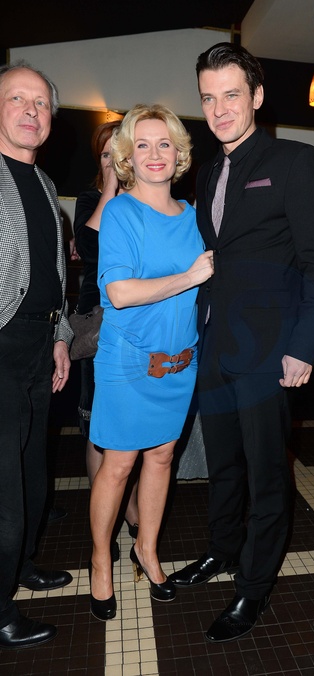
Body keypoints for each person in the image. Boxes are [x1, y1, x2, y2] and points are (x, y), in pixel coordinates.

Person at [169, 42, 314, 643]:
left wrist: (304, 347)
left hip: (270, 351)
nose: (219, 110)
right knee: (223, 464)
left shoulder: (294, 161)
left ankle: (254, 585)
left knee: (267, 474)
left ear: (257, 97)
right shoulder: (208, 171)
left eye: (231, 95)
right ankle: (222, 549)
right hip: (216, 342)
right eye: (208, 98)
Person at [88, 103, 214, 621]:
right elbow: (119, 292)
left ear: (180, 153)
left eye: (165, 144)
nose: (155, 154)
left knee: (162, 458)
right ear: (127, 156)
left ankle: (148, 548)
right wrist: (189, 277)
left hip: (180, 362)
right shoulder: (121, 212)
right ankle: (101, 559)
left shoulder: (195, 216)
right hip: (128, 363)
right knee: (118, 465)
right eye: (142, 144)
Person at [0, 61, 73, 649]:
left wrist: (59, 337)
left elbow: (52, 276)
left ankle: (19, 565)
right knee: (4, 490)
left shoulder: (46, 185)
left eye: (41, 103)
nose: (31, 110)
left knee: (31, 474)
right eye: (17, 99)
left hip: (37, 345)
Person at [74, 121, 139, 559]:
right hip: (97, 324)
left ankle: (130, 508)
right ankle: (104, 525)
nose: (113, 160)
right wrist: (111, 185)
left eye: (120, 152)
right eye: (105, 154)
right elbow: (88, 245)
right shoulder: (90, 199)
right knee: (99, 428)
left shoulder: (144, 199)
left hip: (136, 322)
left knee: (131, 426)